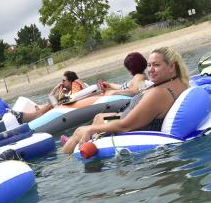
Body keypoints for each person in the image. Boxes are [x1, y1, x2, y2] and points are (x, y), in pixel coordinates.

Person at [61, 46, 190, 154]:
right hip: (128, 116)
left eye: (156, 65)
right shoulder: (180, 83)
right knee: (100, 117)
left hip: (131, 123)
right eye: (149, 65)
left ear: (172, 66)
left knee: (80, 130)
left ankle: (66, 158)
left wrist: (92, 130)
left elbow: (125, 125)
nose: (150, 69)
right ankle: (74, 140)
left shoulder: (156, 92)